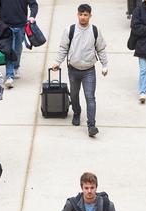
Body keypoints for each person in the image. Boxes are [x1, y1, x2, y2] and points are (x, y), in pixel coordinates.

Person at [51, 3, 108, 137]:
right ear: (77, 14)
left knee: (90, 97)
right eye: (81, 14)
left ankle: (91, 126)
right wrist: (57, 62)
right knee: (74, 95)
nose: (83, 17)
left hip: (89, 70)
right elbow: (63, 48)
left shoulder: (95, 30)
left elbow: (101, 49)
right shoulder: (69, 30)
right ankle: (76, 113)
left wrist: (105, 65)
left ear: (90, 16)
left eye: (85, 15)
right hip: (73, 69)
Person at [0, 0, 38, 89]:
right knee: (9, 50)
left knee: (18, 49)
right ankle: (9, 76)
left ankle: (16, 66)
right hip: (6, 26)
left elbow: (33, 4)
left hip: (21, 25)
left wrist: (32, 16)